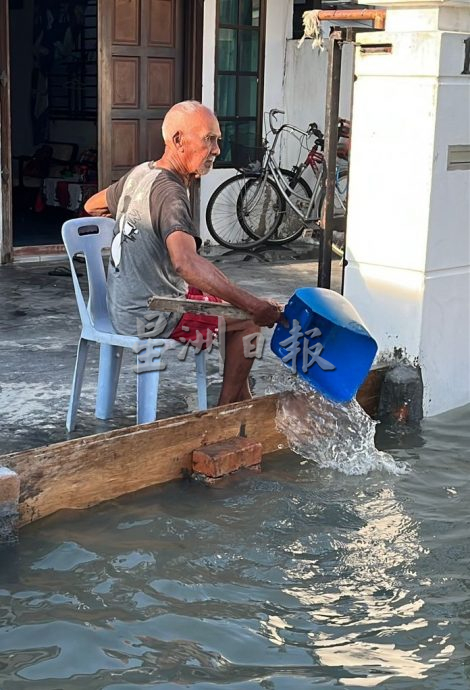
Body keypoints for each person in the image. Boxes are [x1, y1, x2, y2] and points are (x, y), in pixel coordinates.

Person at [84, 100, 283, 405]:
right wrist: (254, 306)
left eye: (217, 139)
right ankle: (227, 409)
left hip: (121, 304)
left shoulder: (141, 173)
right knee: (248, 320)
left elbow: (92, 206)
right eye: (209, 139)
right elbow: (185, 264)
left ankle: (243, 398)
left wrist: (133, 223)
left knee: (226, 294)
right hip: (150, 313)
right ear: (178, 141)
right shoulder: (170, 193)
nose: (217, 149)